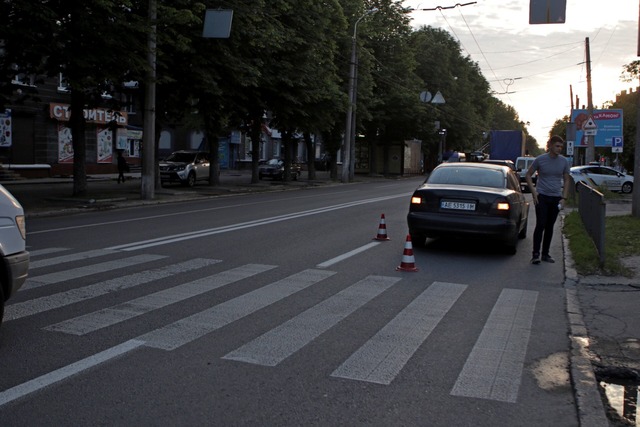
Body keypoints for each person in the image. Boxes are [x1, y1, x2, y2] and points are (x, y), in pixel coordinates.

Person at [526, 135, 571, 264]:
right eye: (557, 146)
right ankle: (535, 254)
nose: (559, 149)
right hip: (542, 196)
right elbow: (528, 175)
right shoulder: (540, 160)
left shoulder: (564, 161)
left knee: (550, 226)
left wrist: (564, 198)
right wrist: (534, 192)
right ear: (550, 145)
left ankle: (545, 254)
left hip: (556, 197)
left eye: (561, 147)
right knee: (541, 224)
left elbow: (567, 180)